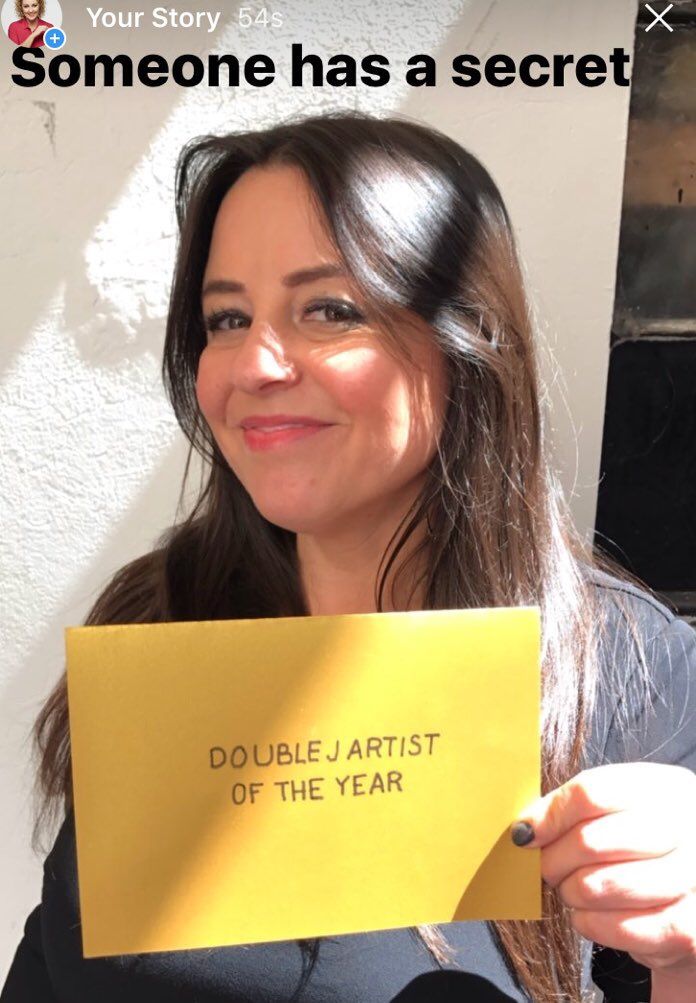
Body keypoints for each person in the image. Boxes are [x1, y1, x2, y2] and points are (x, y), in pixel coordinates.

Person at [2, 112, 695, 1003]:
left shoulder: (628, 672)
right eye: (226, 317)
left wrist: (685, 955)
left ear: (467, 340)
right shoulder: (159, 615)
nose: (254, 363)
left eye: (329, 309)